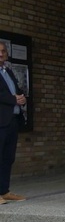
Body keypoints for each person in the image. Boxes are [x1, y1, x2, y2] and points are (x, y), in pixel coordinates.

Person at [0, 41, 27, 204]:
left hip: (11, 121)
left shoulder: (7, 71)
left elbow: (16, 91)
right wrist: (13, 99)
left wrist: (21, 97)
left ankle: (4, 191)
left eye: (3, 51)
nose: (0, 54)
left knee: (8, 158)